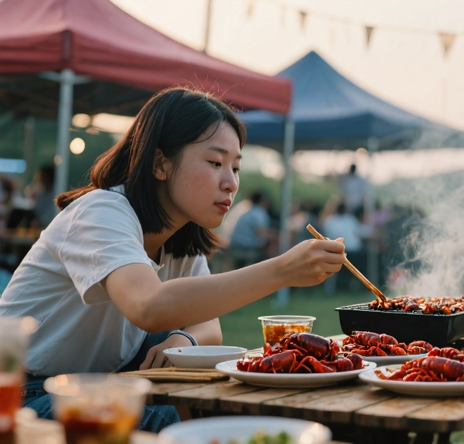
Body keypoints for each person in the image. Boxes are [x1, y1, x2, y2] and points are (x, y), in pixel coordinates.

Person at [0, 87, 345, 432]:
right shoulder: (101, 211)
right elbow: (148, 307)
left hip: (98, 384)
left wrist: (185, 340)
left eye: (236, 168)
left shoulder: (180, 237)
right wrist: (281, 270)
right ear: (160, 164)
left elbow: (209, 325)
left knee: (220, 399)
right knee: (173, 419)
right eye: (214, 163)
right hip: (22, 391)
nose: (230, 184)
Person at [229, 191, 273, 268]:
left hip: (235, 248)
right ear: (262, 201)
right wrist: (277, 236)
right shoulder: (259, 213)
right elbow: (261, 233)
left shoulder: (247, 212)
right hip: (246, 250)